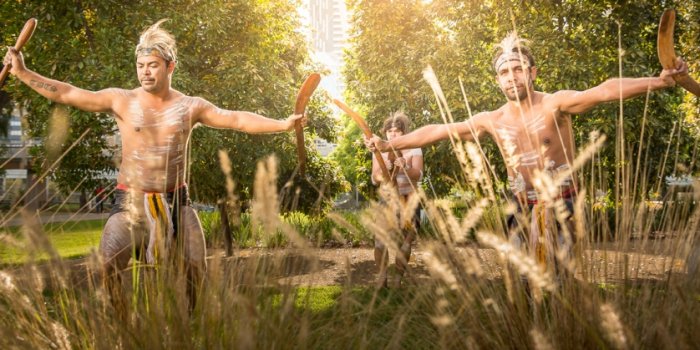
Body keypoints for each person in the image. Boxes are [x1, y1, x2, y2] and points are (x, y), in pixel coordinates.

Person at [3, 20, 305, 309]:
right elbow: (68, 93)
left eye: (153, 65)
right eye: (140, 66)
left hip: (176, 200)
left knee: (196, 268)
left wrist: (282, 124)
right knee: (109, 264)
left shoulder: (191, 106)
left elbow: (236, 119)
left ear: (170, 67)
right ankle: (123, 329)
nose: (145, 72)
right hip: (130, 201)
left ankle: (185, 325)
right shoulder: (121, 101)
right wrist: (23, 72)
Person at [367, 32, 689, 272]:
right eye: (505, 73)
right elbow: (438, 131)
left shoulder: (555, 104)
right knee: (521, 275)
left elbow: (603, 90)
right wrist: (388, 145)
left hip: (561, 200)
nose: (512, 77)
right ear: (498, 80)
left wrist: (659, 82)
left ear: (532, 72)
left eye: (519, 69)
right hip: (519, 203)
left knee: (560, 277)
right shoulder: (492, 120)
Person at [365, 112, 423, 288]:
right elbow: (374, 179)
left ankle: (398, 279)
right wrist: (384, 170)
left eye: (397, 131)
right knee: (380, 241)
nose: (392, 134)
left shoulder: (414, 149)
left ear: (404, 132)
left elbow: (419, 175)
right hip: (387, 200)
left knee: (405, 244)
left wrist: (405, 166)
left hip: (409, 200)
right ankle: (382, 278)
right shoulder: (378, 152)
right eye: (389, 131)